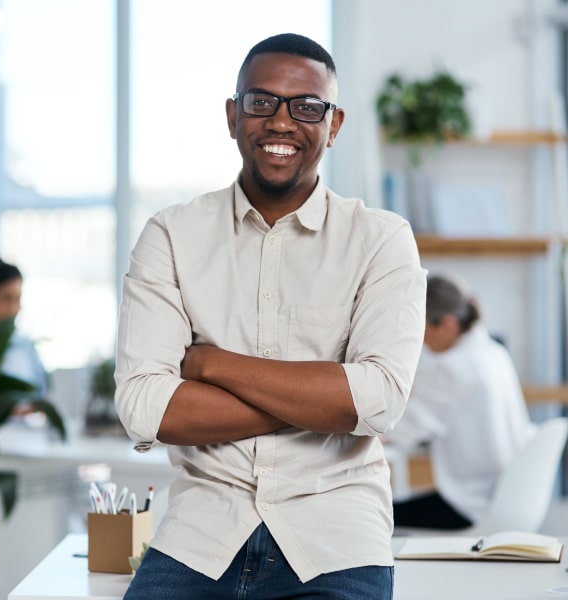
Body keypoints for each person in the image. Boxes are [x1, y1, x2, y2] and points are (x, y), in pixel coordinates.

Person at [115, 33, 426, 599]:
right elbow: (144, 407)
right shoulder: (171, 235)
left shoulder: (382, 240)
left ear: (333, 125)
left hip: (336, 533)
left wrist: (210, 364)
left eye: (307, 107)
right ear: (234, 117)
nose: (282, 122)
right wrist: (320, 399)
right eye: (262, 102)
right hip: (200, 533)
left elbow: (378, 399)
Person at [387, 274, 535, 530]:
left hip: (469, 506)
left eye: (421, 327)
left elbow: (401, 430)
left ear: (447, 324)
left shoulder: (453, 368)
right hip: (504, 496)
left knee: (378, 514)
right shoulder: (494, 353)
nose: (420, 339)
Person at [0, 255, 48, 397]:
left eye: (18, 299)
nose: (13, 309)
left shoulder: (24, 347)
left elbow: (41, 394)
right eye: (6, 298)